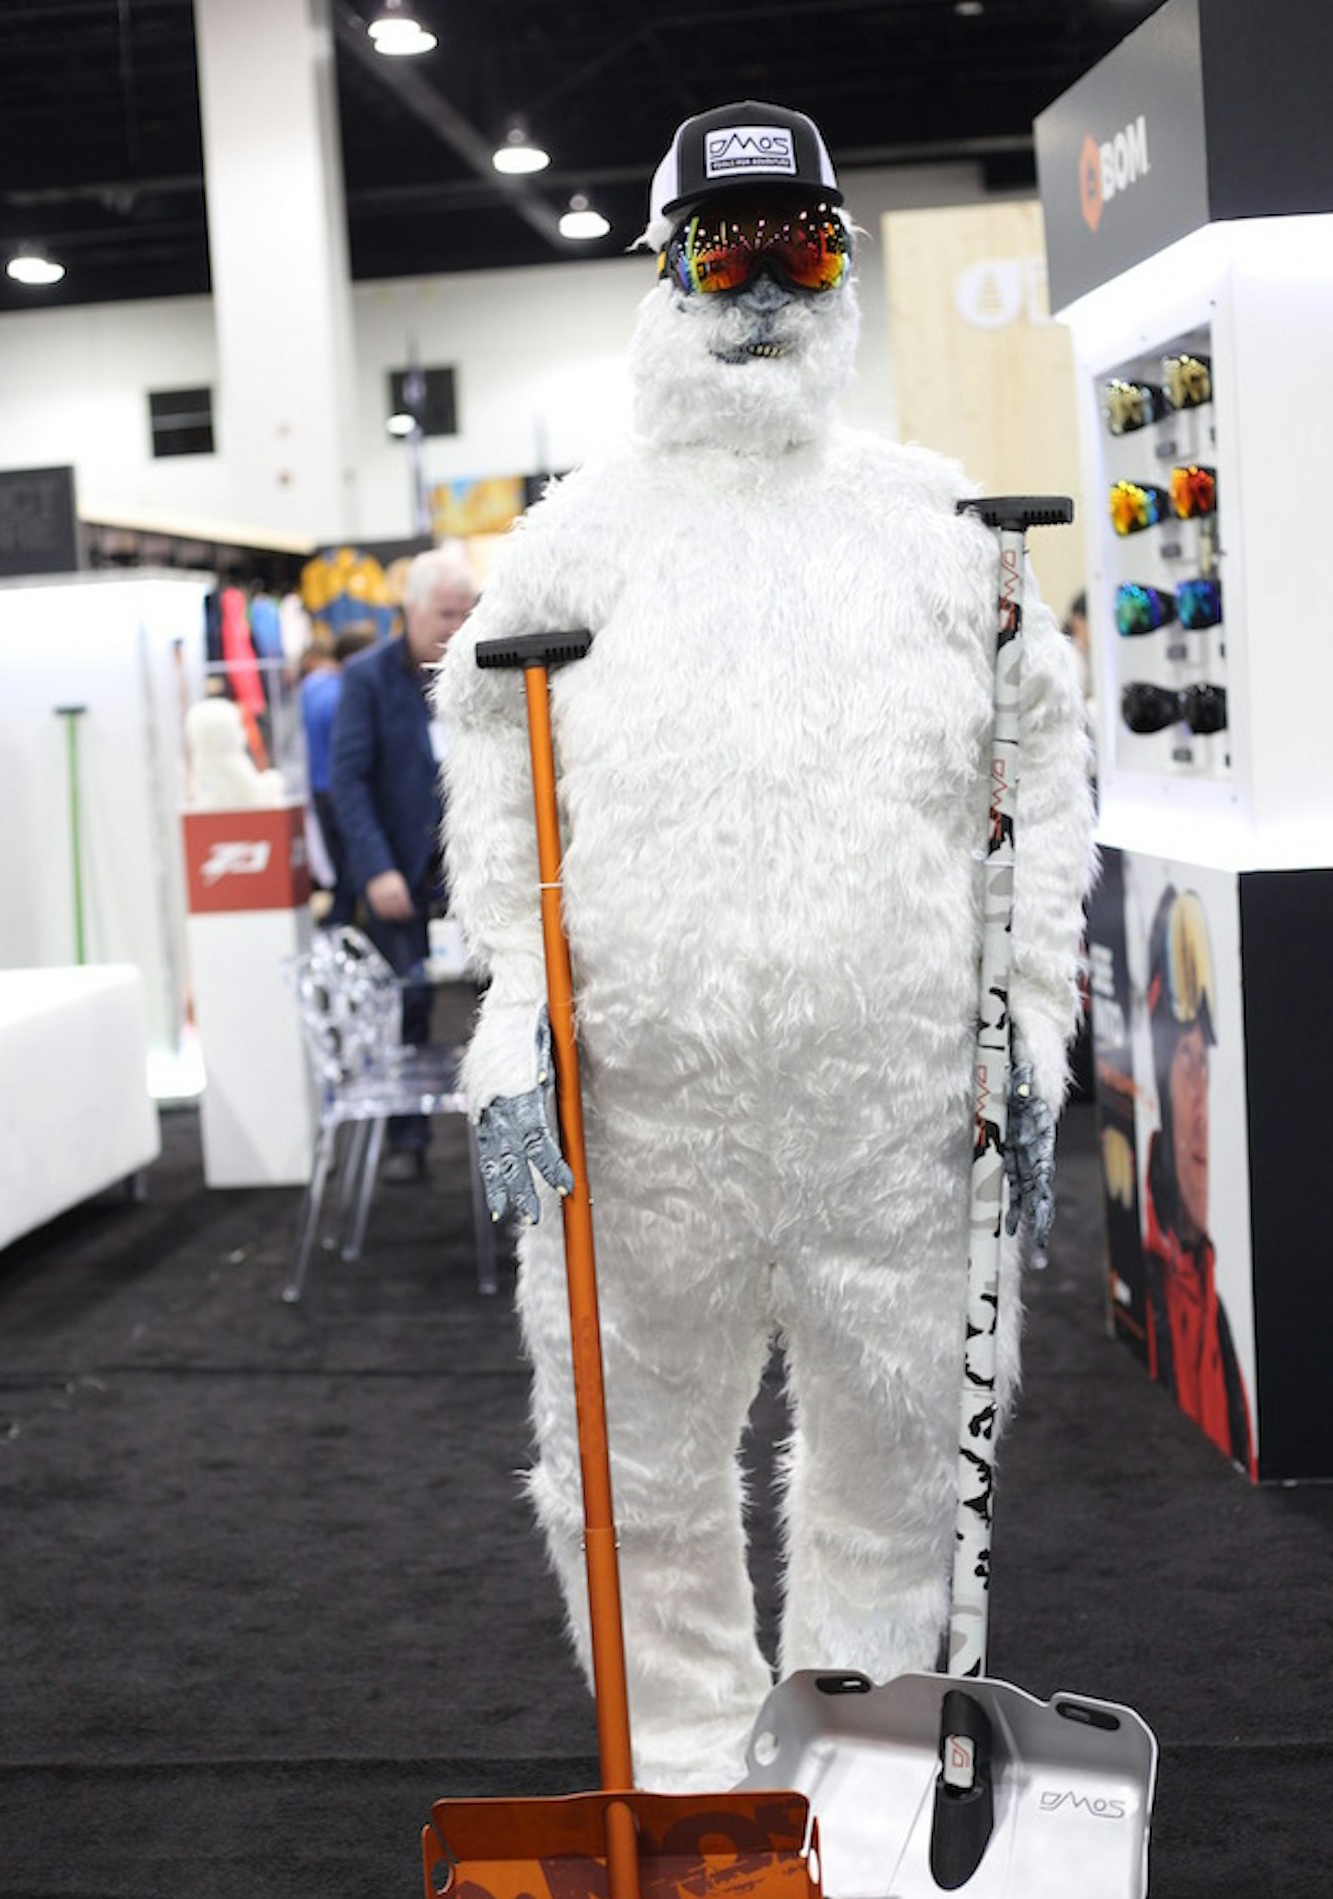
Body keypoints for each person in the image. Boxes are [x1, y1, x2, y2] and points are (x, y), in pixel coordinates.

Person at [435, 100, 1093, 1790]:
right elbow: (499, 789)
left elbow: (1039, 780)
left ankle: (858, 1781)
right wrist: (517, 1023)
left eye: (800, 252)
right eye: (723, 256)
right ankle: (680, 1781)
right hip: (648, 1115)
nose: (763, 299)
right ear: (663, 272)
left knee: (903, 1465)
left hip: (898, 1108)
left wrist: (1028, 1028)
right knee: (634, 1472)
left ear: (844, 272)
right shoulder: (580, 542)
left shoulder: (942, 531)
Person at [329, 545, 478, 1173]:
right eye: (446, 613)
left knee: (497, 1000)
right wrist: (376, 868)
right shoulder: (367, 679)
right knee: (404, 1008)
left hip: (472, 869)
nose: (458, 625)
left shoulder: (482, 664)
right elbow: (348, 781)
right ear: (412, 611)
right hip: (401, 870)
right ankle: (407, 1144)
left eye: (466, 611)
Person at [1143, 884, 1256, 1473]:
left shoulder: (1221, 1328)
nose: (1201, 1106)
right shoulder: (1146, 1290)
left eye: (1204, 1067)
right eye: (1185, 1063)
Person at [300, 624, 374, 926]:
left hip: (321, 788)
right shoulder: (341, 695)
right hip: (339, 791)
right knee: (350, 871)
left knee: (342, 868)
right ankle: (339, 929)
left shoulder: (311, 686)